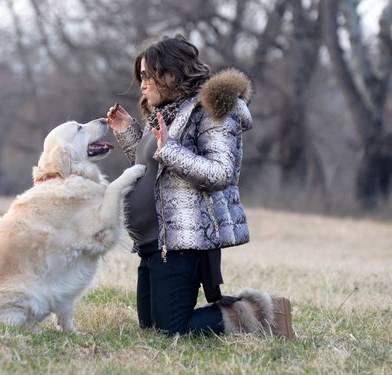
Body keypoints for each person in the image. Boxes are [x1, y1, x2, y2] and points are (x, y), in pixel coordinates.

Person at [106, 34, 293, 338]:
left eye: (146, 75)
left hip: (184, 242)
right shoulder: (167, 112)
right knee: (152, 328)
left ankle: (262, 311)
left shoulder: (213, 111)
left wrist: (168, 148)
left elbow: (221, 173)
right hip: (153, 243)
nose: (141, 84)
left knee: (172, 331)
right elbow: (158, 171)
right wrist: (130, 133)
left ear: (171, 74)